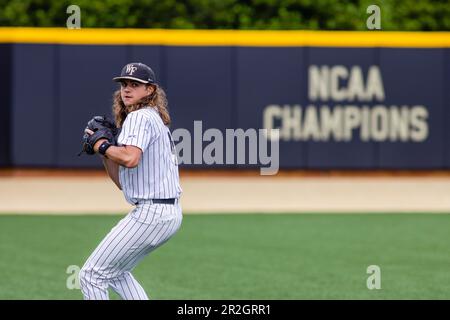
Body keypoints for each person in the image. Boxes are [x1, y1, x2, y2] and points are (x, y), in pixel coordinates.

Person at [79, 62, 182, 300]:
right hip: (166, 213)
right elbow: (124, 183)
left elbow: (130, 158)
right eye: (124, 84)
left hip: (152, 213)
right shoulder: (153, 118)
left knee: (90, 275)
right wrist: (106, 152)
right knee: (116, 273)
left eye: (135, 85)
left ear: (150, 90)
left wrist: (101, 144)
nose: (127, 89)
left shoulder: (139, 117)